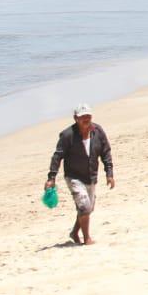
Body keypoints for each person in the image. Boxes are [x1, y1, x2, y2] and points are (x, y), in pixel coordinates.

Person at [45, 105, 114, 246]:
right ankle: (87, 238)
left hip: (91, 175)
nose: (86, 119)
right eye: (83, 117)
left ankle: (74, 232)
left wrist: (109, 173)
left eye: (88, 116)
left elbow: (106, 152)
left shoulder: (98, 131)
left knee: (88, 208)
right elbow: (57, 157)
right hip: (74, 177)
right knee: (84, 206)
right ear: (76, 118)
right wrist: (51, 178)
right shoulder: (67, 135)